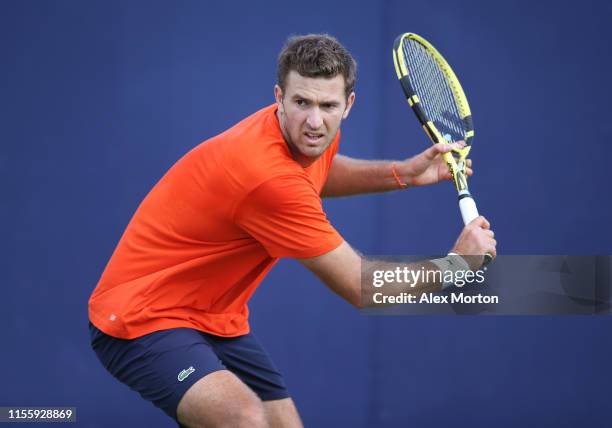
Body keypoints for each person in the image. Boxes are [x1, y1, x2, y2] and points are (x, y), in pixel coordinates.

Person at [88, 34, 496, 428]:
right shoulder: (267, 180)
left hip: (214, 315)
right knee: (241, 418)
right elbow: (362, 286)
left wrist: (399, 173)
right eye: (301, 102)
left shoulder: (303, 136)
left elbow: (316, 174)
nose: (315, 121)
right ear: (279, 98)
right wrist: (457, 264)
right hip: (141, 316)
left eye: (327, 105)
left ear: (348, 104)